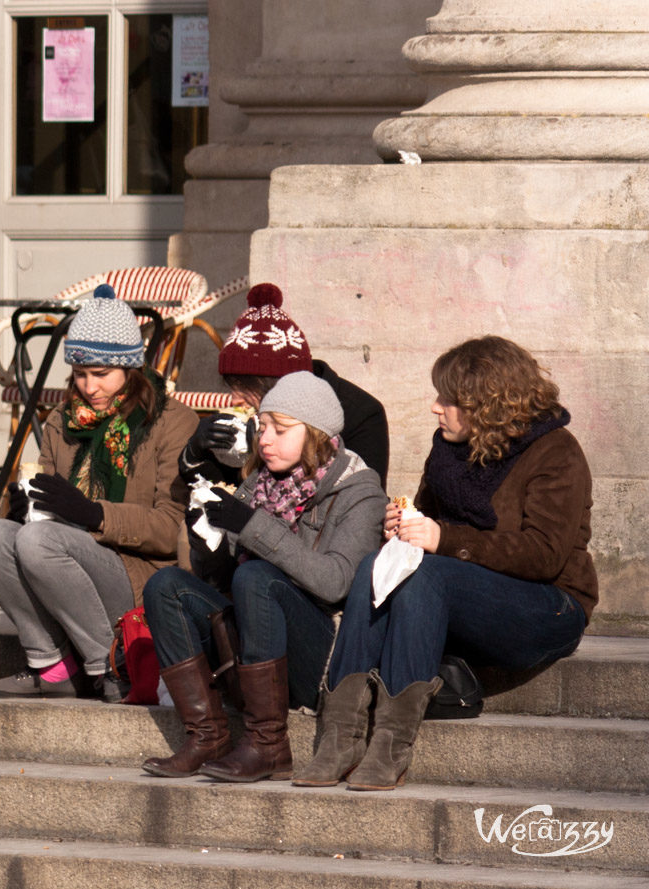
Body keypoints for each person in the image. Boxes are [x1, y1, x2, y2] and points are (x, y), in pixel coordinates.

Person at [293, 336, 596, 792]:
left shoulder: (556, 451)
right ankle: (340, 737)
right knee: (374, 567)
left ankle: (391, 745)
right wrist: (401, 525)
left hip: (549, 606)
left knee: (426, 575)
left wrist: (442, 537)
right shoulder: (449, 447)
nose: (436, 408)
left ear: (486, 404)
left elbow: (544, 553)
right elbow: (430, 524)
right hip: (458, 592)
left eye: (448, 399)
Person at [141, 372, 385, 781]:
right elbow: (221, 582)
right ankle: (207, 736)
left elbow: (335, 582)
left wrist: (252, 526)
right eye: (262, 426)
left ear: (318, 435)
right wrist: (209, 538)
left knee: (258, 576)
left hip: (321, 658)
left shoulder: (360, 491)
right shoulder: (261, 482)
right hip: (256, 648)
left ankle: (268, 745)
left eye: (280, 429)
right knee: (166, 586)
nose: (264, 439)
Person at [0, 286, 197, 701]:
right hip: (67, 559)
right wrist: (22, 506)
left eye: (101, 374)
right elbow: (42, 505)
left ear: (131, 369)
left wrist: (94, 513)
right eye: (79, 373)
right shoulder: (62, 418)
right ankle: (53, 664)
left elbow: (171, 529)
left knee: (40, 540)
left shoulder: (172, 421)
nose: (89, 386)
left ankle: (110, 665)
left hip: (138, 571)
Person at [181, 283, 389, 488]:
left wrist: (267, 456)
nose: (235, 399)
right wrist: (195, 453)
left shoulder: (360, 414)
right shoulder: (251, 419)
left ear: (279, 383)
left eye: (245, 387)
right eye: (232, 386)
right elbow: (219, 493)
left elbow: (362, 504)